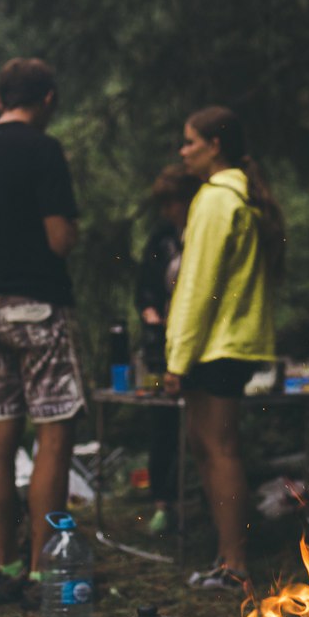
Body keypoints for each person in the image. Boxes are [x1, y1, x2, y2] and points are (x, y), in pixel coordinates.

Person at [0, 57, 84, 609]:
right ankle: (41, 574)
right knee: (53, 433)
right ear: (48, 99)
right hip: (38, 307)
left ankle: (6, 567)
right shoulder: (43, 149)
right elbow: (59, 240)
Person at [164, 105, 284, 591]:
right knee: (208, 447)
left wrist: (177, 359)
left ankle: (235, 564)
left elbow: (198, 286)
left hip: (216, 344)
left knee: (219, 449)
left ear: (215, 146)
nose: (183, 151)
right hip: (223, 342)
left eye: (190, 141)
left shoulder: (216, 199)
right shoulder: (238, 195)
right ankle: (224, 558)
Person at [135, 165, 202, 534]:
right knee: (162, 424)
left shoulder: (203, 231)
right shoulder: (160, 239)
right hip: (162, 345)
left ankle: (206, 498)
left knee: (204, 425)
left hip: (197, 342)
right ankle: (162, 501)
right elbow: (144, 287)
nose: (168, 211)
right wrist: (150, 312)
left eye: (172, 203)